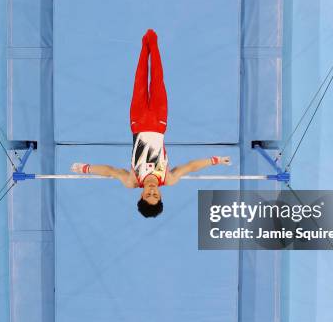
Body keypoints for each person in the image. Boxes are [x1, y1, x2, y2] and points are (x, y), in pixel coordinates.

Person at [71, 29, 231, 217]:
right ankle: (152, 44)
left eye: (148, 194)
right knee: (157, 79)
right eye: (156, 194)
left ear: (141, 195)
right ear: (161, 195)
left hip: (138, 123)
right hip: (159, 123)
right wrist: (216, 160)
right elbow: (191, 166)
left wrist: (85, 168)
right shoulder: (169, 178)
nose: (152, 190)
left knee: (139, 80)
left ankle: (144, 45)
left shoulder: (132, 180)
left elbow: (109, 171)